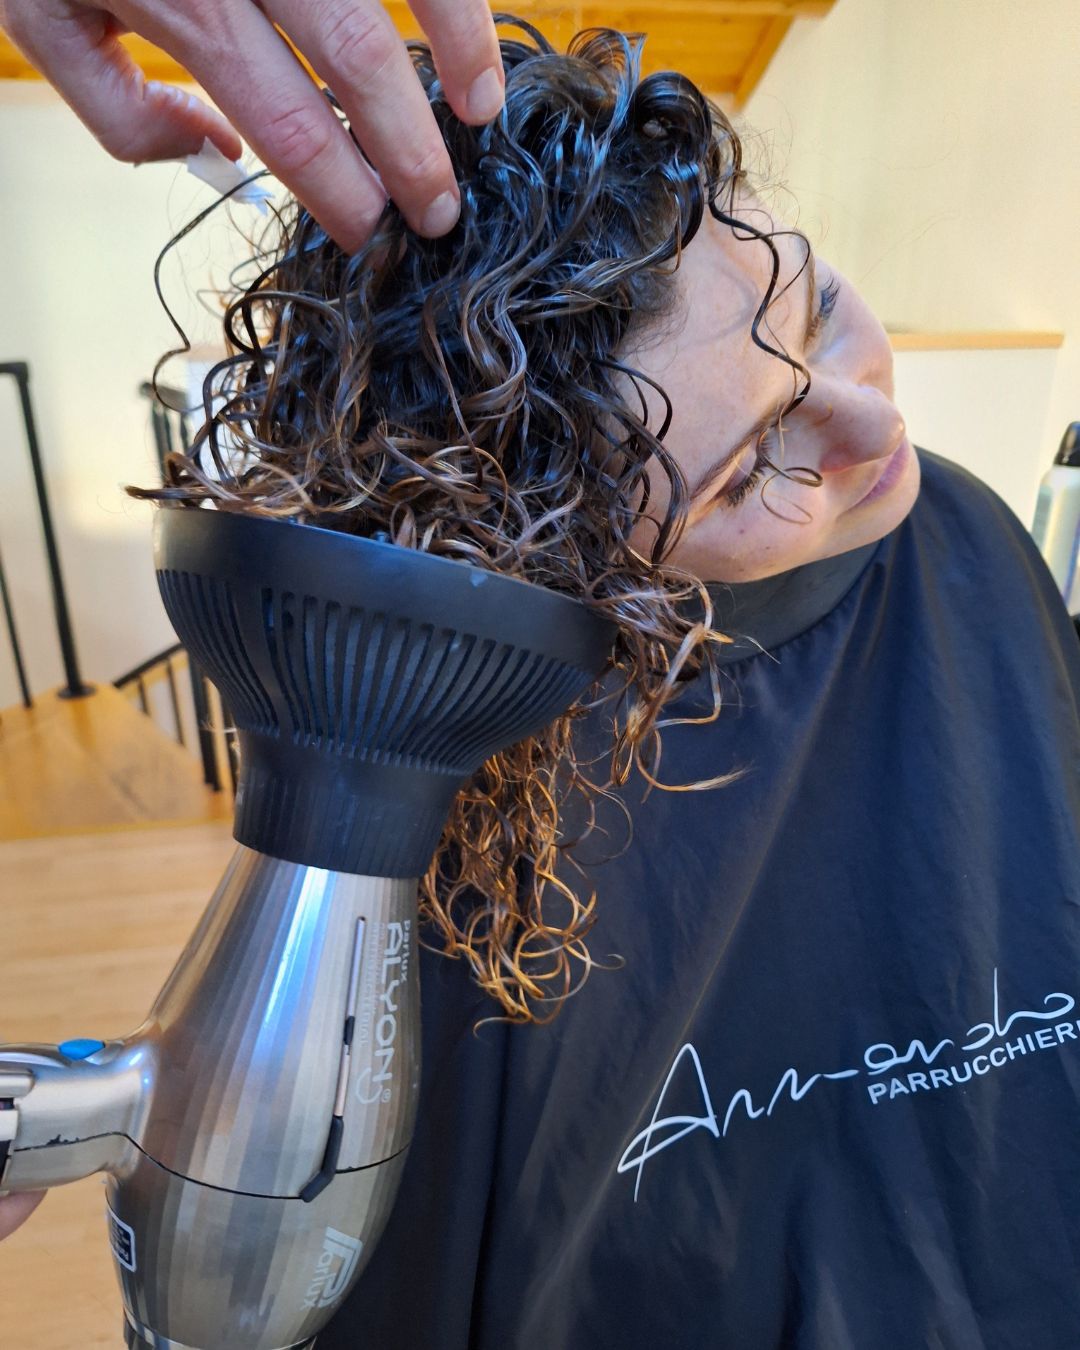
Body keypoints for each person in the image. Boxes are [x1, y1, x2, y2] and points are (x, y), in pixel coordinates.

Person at [6, 16, 1080, 1350]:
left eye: (820, 308)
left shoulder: (964, 533)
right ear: (568, 548)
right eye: (747, 468)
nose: (873, 425)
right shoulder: (458, 771)